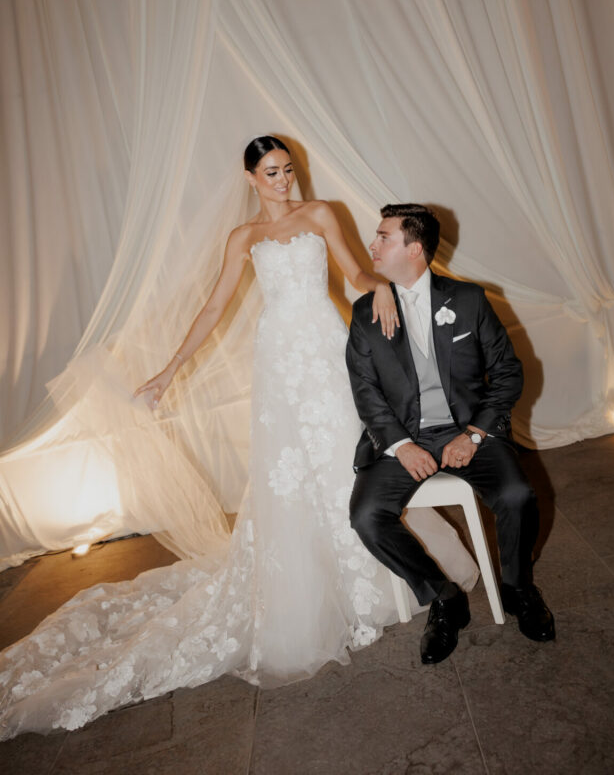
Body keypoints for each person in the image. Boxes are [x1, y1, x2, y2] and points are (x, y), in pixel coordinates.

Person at [0, 138, 478, 739]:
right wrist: (170, 369)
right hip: (278, 361)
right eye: (271, 173)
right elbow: (214, 307)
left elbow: (354, 269)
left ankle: (392, 573)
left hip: (327, 353)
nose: (283, 181)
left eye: (288, 171)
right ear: (250, 178)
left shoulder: (321, 214)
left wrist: (377, 285)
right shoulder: (243, 238)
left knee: (349, 458)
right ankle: (312, 595)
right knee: (291, 471)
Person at [346, 203, 555, 666]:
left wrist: (476, 434)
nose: (372, 245)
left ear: (415, 249)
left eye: (384, 237)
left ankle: (519, 588)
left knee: (519, 495)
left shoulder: (469, 300)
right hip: (402, 437)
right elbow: (366, 393)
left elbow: (508, 374)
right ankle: (443, 597)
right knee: (366, 515)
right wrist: (401, 446)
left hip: (468, 431)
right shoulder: (365, 313)